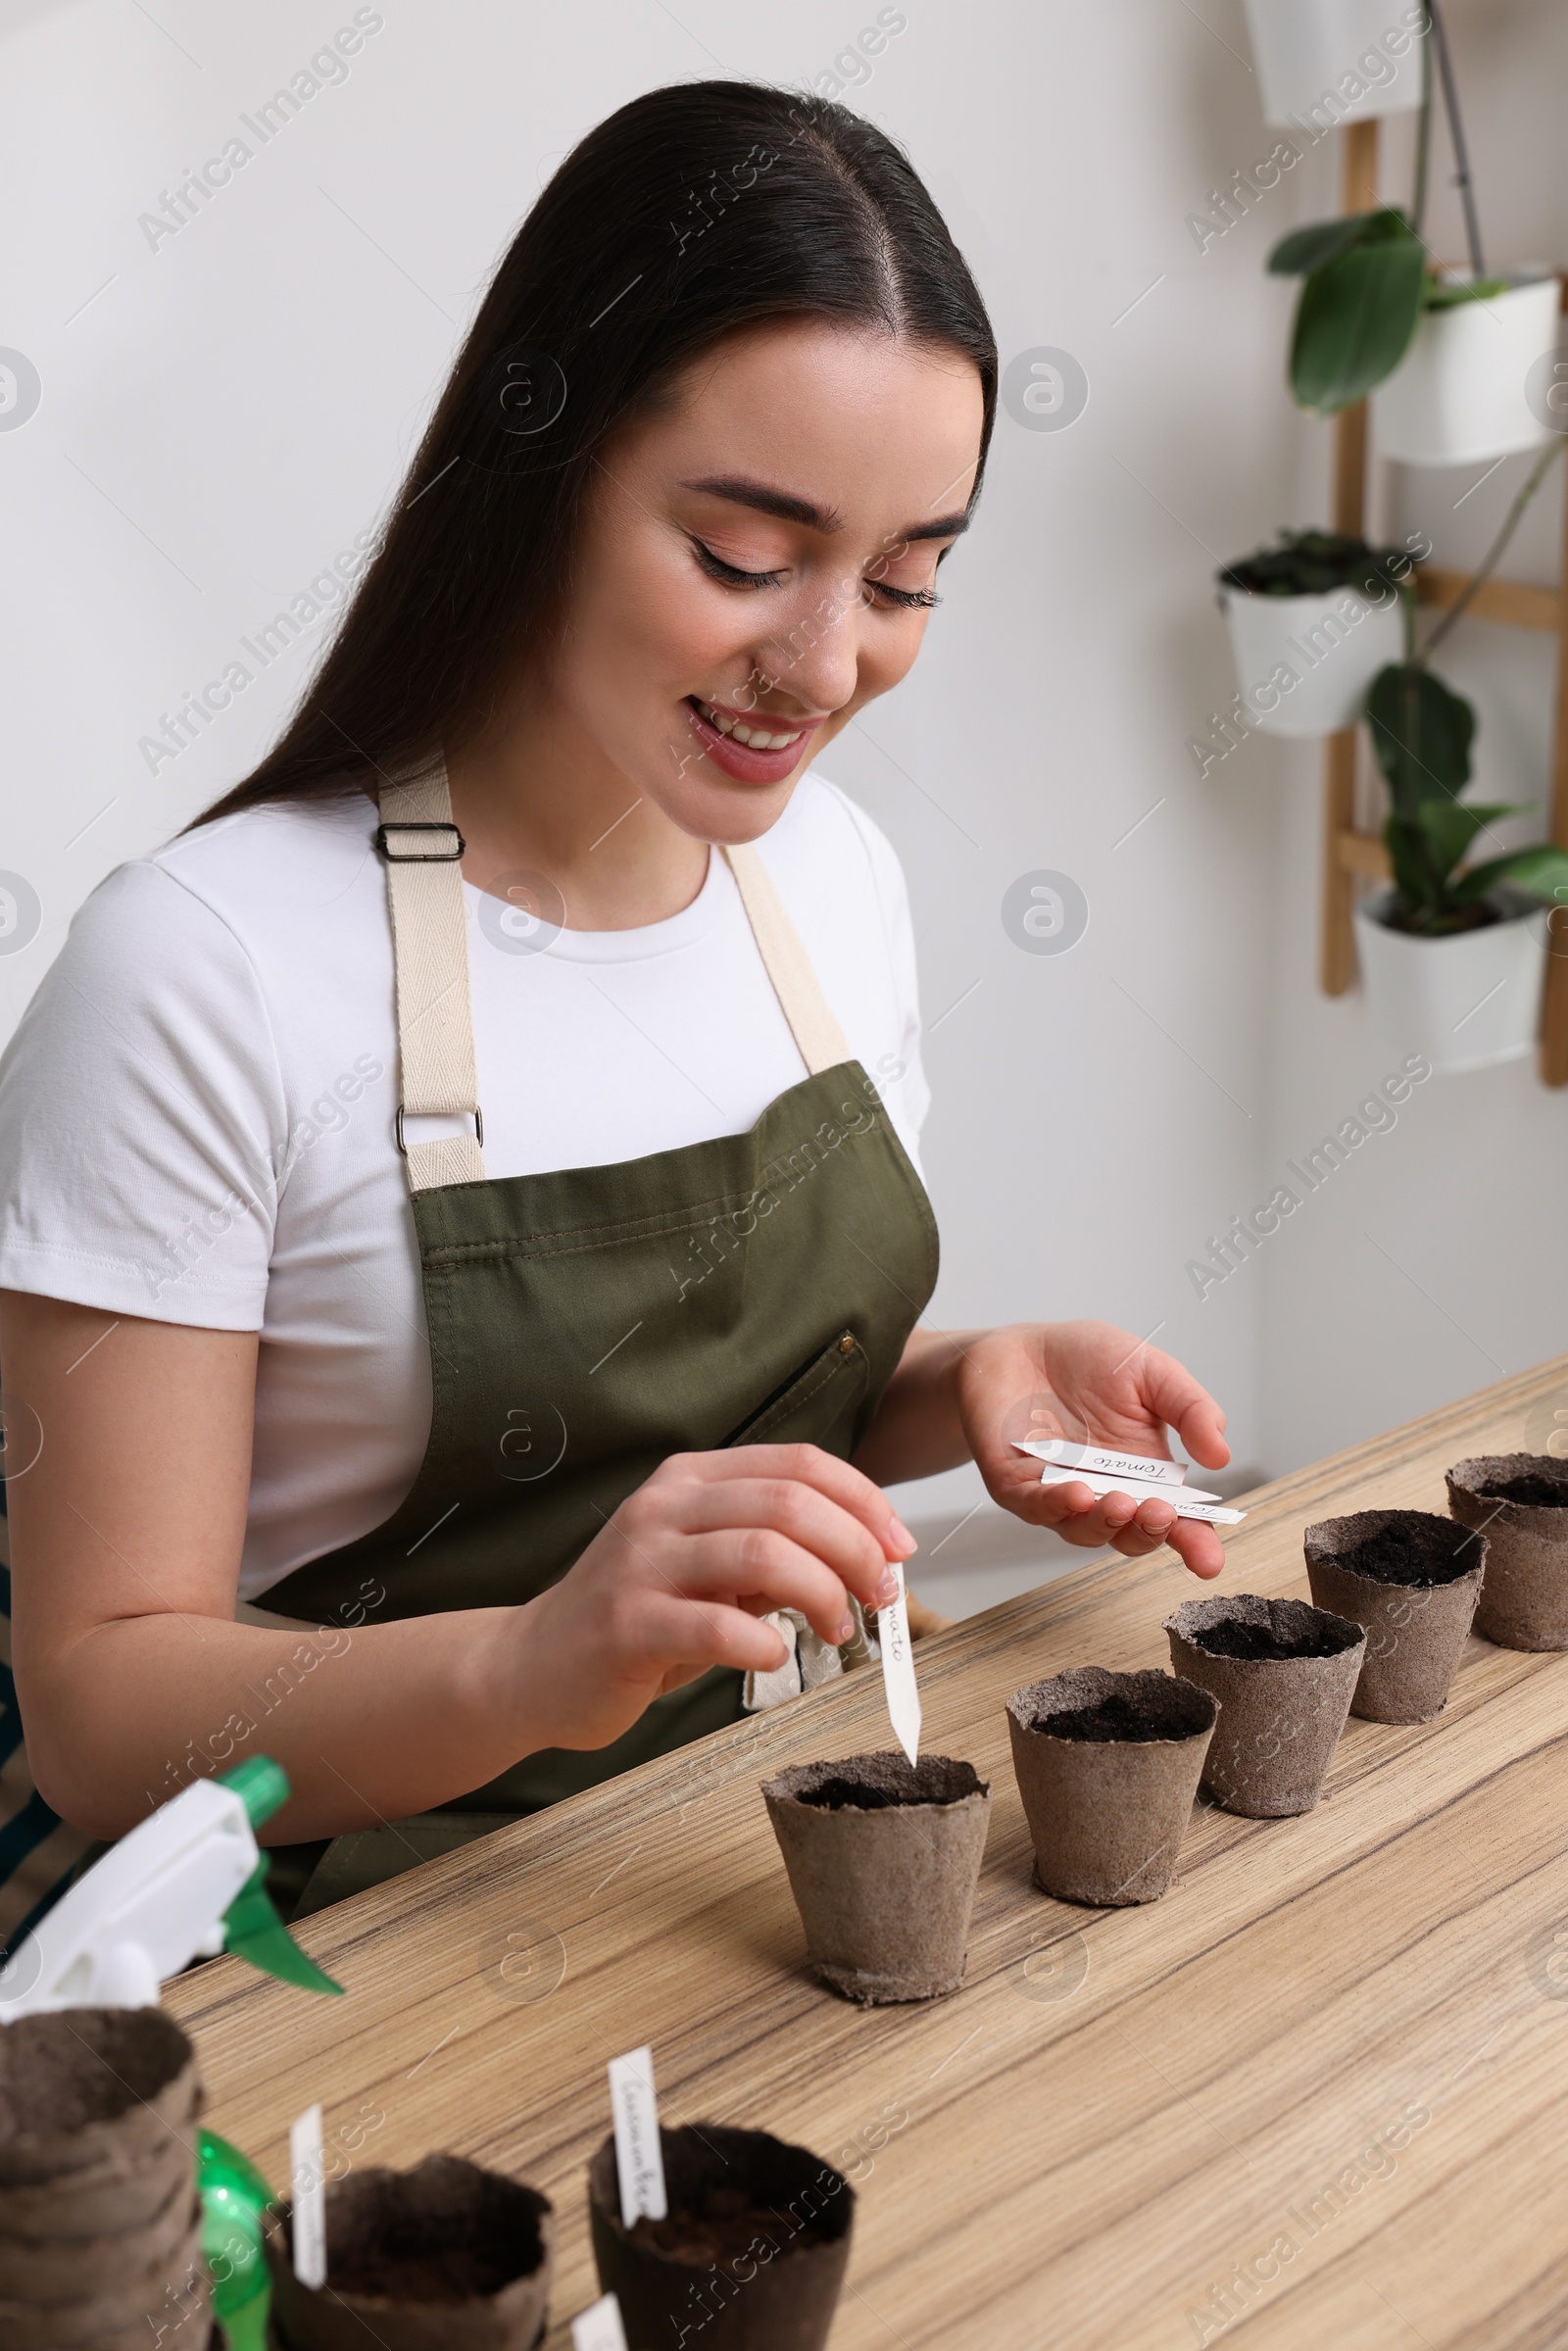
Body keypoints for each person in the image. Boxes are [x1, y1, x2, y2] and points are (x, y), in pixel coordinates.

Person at [0, 81, 1230, 1922]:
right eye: (744, 557)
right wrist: (528, 1667)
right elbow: (97, 1705)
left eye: (907, 580)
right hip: (324, 1937)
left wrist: (956, 1384)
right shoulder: (205, 966)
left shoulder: (836, 890)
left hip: (748, 1847)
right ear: (544, 464)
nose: (825, 664)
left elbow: (671, 1429)